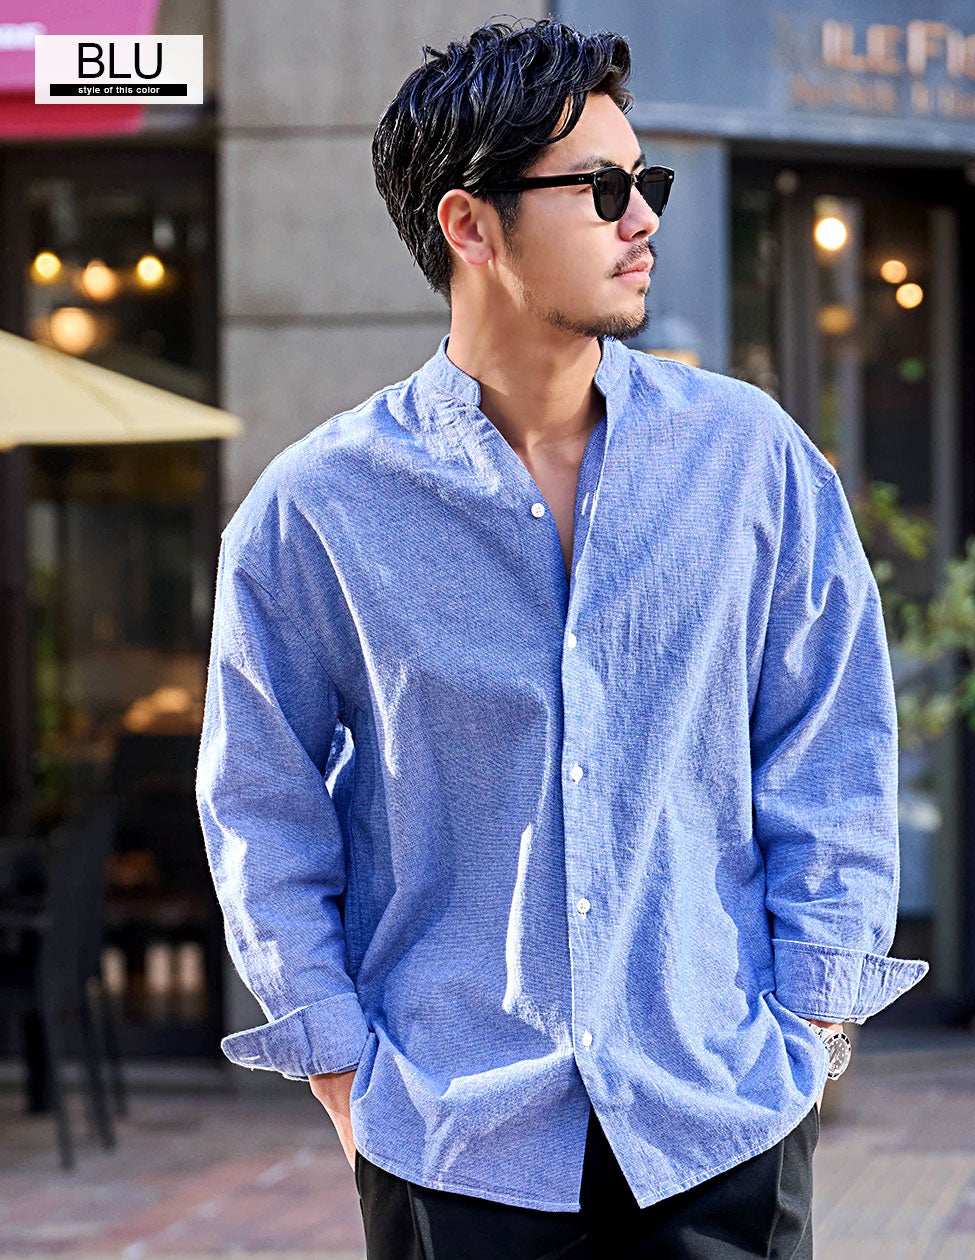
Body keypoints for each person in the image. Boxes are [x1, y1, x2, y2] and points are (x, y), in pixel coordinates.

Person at [195, 17, 930, 1259]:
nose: (641, 220)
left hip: (720, 1124)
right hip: (453, 1138)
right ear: (469, 225)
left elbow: (833, 745)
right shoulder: (316, 508)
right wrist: (341, 1072)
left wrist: (811, 1031)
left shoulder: (748, 461)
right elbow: (260, 805)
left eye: (646, 183)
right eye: (599, 189)